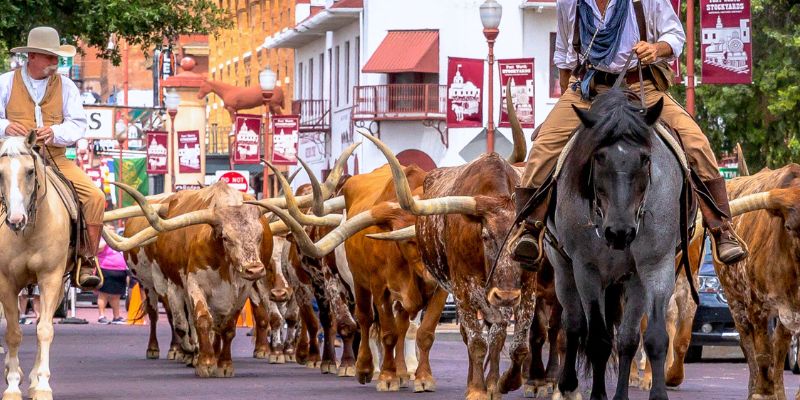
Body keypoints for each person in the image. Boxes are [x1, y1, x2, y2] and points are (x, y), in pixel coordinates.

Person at [513, 0, 746, 268]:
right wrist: (565, 103)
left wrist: (655, 48)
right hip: (588, 90)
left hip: (641, 87)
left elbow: (675, 36)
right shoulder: (570, 3)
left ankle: (721, 229)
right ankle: (529, 227)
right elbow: (566, 57)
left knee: (696, 141)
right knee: (543, 146)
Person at [0, 27, 104, 289]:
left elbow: (78, 124)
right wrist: (6, 127)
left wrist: (55, 132)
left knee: (95, 197)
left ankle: (87, 260)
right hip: (11, 157)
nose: (56, 61)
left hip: (54, 157)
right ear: (32, 56)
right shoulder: (5, 82)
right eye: (50, 56)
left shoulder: (66, 85)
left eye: (57, 56)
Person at [96, 230, 128, 324]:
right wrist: (107, 240)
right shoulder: (101, 239)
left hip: (120, 270)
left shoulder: (118, 240)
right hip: (106, 269)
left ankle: (116, 317)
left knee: (116, 296)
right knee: (103, 294)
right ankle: (101, 316)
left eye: (113, 230)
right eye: (109, 230)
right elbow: (98, 249)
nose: (112, 232)